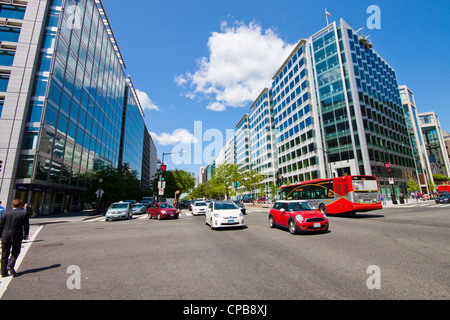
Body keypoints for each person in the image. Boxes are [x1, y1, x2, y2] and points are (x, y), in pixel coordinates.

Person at [0, 199, 30, 277]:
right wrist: (26, 234)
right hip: (17, 235)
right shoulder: (23, 214)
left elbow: (1, 225)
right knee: (16, 251)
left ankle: (3, 272)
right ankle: (10, 264)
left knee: (4, 254)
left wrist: (0, 235)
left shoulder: (5, 214)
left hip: (5, 235)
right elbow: (26, 225)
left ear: (12, 205)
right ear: (20, 206)